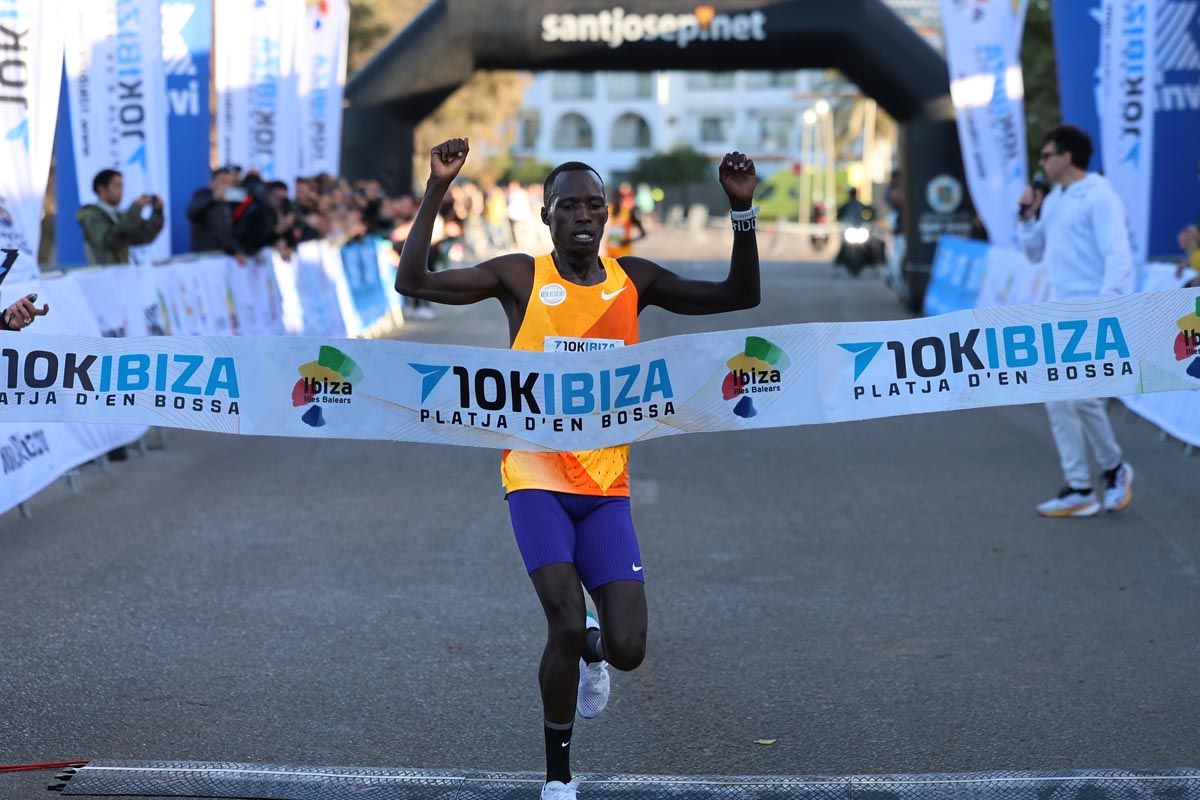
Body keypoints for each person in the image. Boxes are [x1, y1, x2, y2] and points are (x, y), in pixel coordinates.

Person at [396, 138, 759, 800]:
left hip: (604, 489)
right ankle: (559, 776)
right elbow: (412, 282)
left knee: (628, 647)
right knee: (562, 621)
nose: (583, 216)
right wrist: (436, 189)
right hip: (534, 478)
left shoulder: (635, 280)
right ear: (547, 216)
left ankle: (596, 655)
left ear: (608, 213)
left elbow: (740, 294)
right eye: (568, 206)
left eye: (594, 204)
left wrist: (742, 210)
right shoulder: (520, 277)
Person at [1018, 124, 1135, 517]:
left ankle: (1115, 469)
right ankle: (1080, 487)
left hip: (1090, 311)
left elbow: (1118, 254)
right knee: (1057, 400)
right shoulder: (1053, 200)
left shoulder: (1099, 196)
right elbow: (1035, 253)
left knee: (1084, 396)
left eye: (1046, 155)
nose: (1041, 162)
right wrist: (1027, 217)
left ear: (1067, 157)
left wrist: (1109, 306)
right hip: (1056, 311)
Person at [77, 169, 165, 265]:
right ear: (101, 189)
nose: (121, 191)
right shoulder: (91, 216)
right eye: (117, 186)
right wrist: (135, 208)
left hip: (121, 276)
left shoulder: (119, 217)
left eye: (122, 186)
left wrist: (157, 211)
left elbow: (146, 235)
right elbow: (110, 240)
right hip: (102, 277)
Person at [187, 167, 247, 262]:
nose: (227, 186)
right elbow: (192, 212)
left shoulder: (235, 205)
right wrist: (213, 199)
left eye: (231, 183)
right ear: (211, 183)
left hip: (227, 260)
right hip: (205, 259)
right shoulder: (203, 195)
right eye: (223, 181)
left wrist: (236, 250)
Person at [604, 183, 645, 259]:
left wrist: (628, 241)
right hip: (609, 256)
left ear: (621, 198)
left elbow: (643, 233)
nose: (616, 201)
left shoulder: (629, 212)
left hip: (624, 256)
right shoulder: (606, 211)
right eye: (614, 198)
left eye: (618, 198)